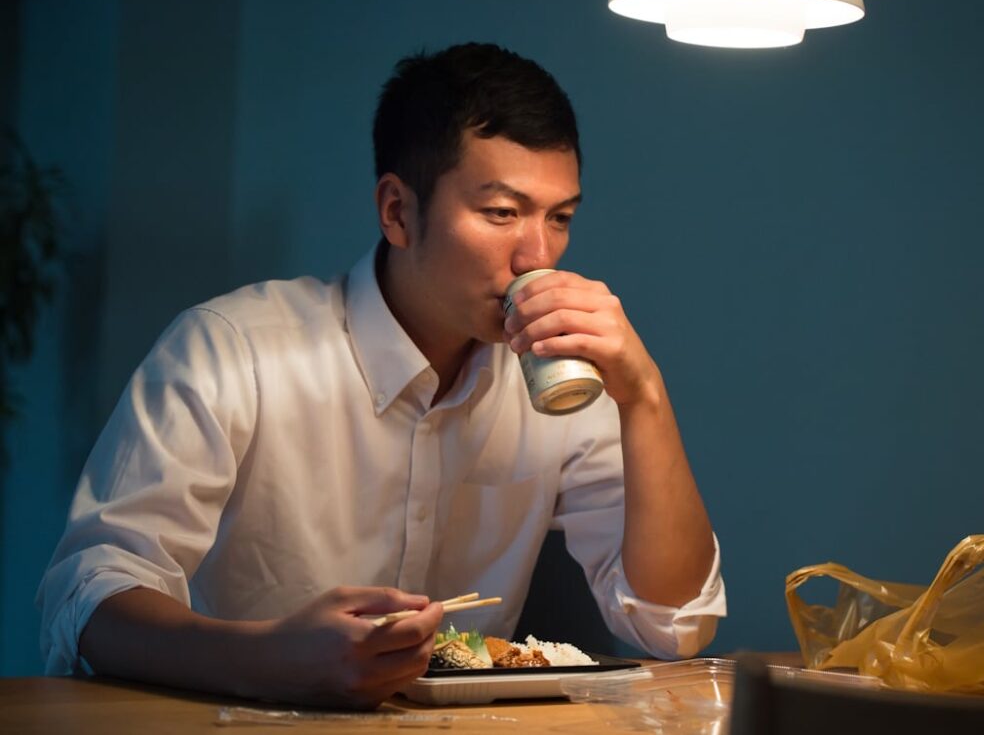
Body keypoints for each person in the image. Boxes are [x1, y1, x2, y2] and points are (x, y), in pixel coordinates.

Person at [36, 42, 726, 708]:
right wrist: (271, 660)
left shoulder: (553, 372)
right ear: (398, 211)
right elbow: (89, 597)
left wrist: (643, 393)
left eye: (561, 217)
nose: (537, 256)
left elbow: (672, 623)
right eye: (501, 213)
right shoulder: (233, 349)